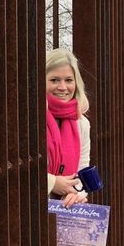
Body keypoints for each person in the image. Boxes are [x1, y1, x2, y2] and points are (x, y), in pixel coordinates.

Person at [45, 48, 91, 207]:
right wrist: (52, 183)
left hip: (65, 210)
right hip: (31, 210)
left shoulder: (81, 123)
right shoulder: (29, 119)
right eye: (54, 80)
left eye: (69, 80)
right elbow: (18, 169)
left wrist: (78, 193)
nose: (63, 87)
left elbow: (82, 170)